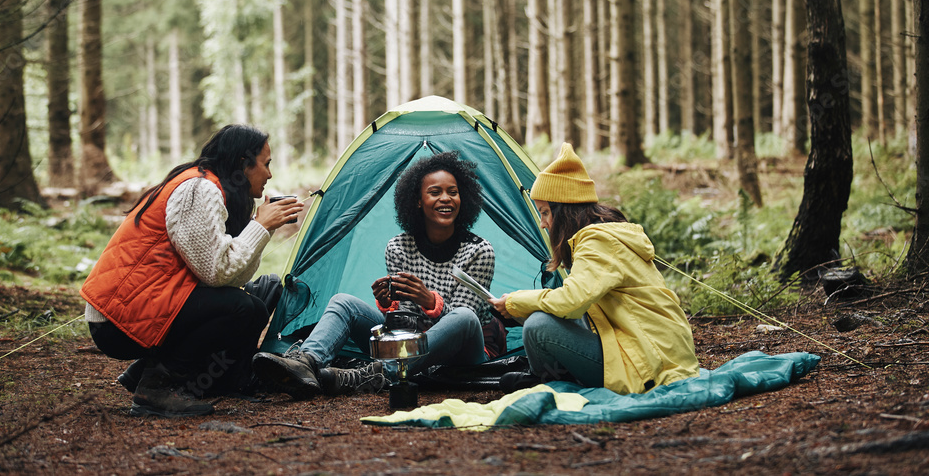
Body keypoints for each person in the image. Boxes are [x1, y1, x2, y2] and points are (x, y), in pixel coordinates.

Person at [80, 124, 307, 418]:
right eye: (266, 164)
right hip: (116, 320)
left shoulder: (208, 187)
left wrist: (260, 228)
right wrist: (260, 226)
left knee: (257, 297)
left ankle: (150, 373)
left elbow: (236, 277)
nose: (270, 174)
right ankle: (156, 387)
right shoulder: (199, 190)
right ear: (243, 163)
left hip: (140, 305)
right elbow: (218, 272)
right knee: (243, 308)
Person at [253, 151, 500, 399]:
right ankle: (306, 362)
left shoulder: (479, 251)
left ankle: (380, 374)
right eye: (435, 192)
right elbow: (405, 328)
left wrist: (429, 301)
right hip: (412, 347)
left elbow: (463, 328)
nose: (445, 199)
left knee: (465, 317)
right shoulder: (399, 247)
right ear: (417, 200)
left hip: (465, 354)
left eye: (453, 192)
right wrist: (388, 306)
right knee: (343, 302)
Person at [491, 143, 699, 394]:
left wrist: (515, 301)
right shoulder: (602, 236)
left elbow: (572, 301)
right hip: (644, 347)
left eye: (545, 213)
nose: (543, 224)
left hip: (648, 360)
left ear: (564, 210)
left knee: (538, 326)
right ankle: (551, 379)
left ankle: (552, 384)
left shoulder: (598, 242)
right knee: (544, 315)